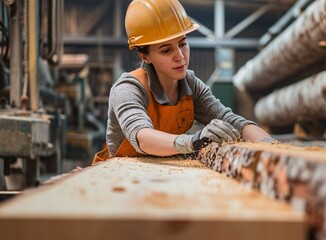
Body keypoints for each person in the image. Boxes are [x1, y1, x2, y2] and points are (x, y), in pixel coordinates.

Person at [93, 0, 275, 164]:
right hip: (123, 173)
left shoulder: (191, 85)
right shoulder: (128, 88)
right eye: (166, 50)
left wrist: (273, 148)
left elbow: (231, 120)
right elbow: (141, 135)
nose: (180, 57)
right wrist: (193, 141)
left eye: (182, 44)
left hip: (168, 169)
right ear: (145, 56)